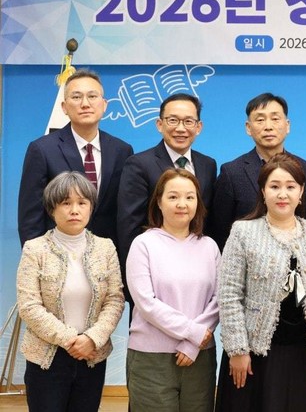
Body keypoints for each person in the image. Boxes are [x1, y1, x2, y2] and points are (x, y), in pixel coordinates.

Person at [216, 153, 306, 411]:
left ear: (301, 192)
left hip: (303, 351)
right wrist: (237, 350)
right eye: (274, 186)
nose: (283, 194)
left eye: (290, 187)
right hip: (253, 354)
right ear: (263, 191)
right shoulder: (243, 231)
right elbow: (229, 293)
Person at [16, 172, 124, 412]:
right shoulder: (35, 249)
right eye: (66, 203)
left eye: (82, 203)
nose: (74, 210)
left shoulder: (106, 247)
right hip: (46, 357)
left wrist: (92, 339)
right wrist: (71, 340)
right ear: (52, 208)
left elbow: (115, 300)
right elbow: (29, 306)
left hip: (92, 355)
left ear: (91, 207)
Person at [125, 168, 220, 412]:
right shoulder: (143, 244)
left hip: (200, 356)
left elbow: (219, 300)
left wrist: (193, 344)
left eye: (189, 197)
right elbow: (146, 303)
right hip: (151, 359)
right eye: (173, 197)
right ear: (159, 201)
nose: (182, 204)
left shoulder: (209, 246)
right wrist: (192, 332)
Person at [117, 93, 217, 310]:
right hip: (154, 283)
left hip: (196, 281)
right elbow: (129, 228)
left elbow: (206, 221)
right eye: (173, 120)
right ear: (159, 124)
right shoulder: (139, 164)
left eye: (188, 121)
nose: (180, 128)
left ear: (199, 127)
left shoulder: (208, 165)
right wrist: (138, 287)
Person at [18, 69, 133, 247]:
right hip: (57, 253)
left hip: (107, 254)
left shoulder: (122, 151)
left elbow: (126, 212)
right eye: (77, 97)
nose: (85, 104)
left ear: (104, 105)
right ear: (64, 107)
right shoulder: (42, 150)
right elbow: (30, 218)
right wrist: (36, 257)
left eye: (92, 96)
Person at [210, 92, 306, 250]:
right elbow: (220, 230)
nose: (268, 126)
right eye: (260, 120)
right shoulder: (232, 172)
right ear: (248, 128)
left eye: (275, 119)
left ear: (287, 125)